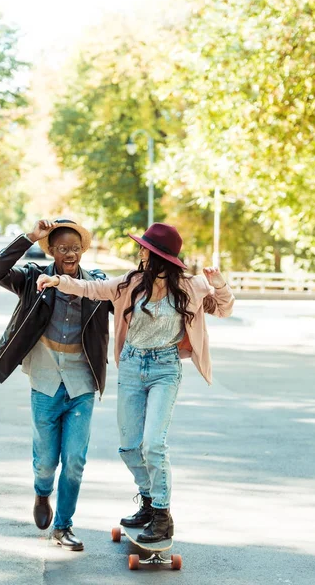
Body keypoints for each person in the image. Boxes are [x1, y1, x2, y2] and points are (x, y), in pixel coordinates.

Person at [37, 222, 235, 543]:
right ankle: (147, 498)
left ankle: (161, 513)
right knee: (130, 447)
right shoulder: (129, 283)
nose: (140, 251)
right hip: (131, 367)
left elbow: (224, 309)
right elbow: (90, 289)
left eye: (145, 248)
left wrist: (219, 284)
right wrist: (57, 280)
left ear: (157, 256)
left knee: (153, 445)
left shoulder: (190, 286)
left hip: (165, 368)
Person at [0, 218, 114, 551]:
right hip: (45, 380)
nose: (70, 254)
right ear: (51, 251)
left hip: (82, 383)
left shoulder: (96, 285)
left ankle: (64, 526)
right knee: (46, 462)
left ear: (83, 249)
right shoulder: (32, 279)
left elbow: (129, 299)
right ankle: (43, 493)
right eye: (62, 248)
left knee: (74, 460)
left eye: (75, 248)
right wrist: (28, 237)